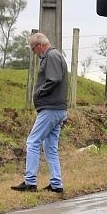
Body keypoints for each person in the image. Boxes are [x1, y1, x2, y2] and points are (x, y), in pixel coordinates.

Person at [12, 32, 69, 193]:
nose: (34, 53)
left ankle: (30, 182)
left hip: (51, 108)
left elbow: (54, 79)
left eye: (33, 49)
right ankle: (56, 184)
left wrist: (39, 93)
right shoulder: (56, 55)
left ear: (39, 45)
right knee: (50, 146)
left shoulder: (50, 56)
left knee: (33, 142)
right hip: (58, 108)